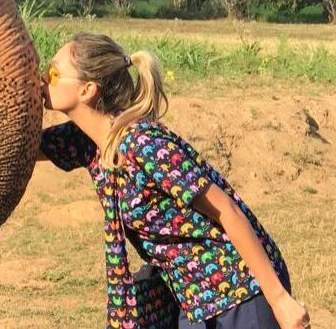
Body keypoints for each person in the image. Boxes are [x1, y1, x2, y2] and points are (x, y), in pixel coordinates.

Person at [37, 32, 309, 329]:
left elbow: (227, 211)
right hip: (191, 296)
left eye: (52, 72)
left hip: (239, 287)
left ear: (87, 89)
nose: (43, 79)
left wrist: (280, 298)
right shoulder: (88, 144)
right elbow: (15, 147)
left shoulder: (143, 144)